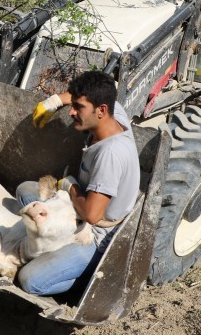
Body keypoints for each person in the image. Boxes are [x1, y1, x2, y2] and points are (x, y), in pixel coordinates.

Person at [14, 71, 140, 295]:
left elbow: (92, 215)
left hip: (97, 233)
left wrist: (70, 187)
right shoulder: (113, 113)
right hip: (78, 208)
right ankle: (53, 249)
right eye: (72, 105)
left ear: (101, 110)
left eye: (78, 108)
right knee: (25, 193)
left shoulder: (109, 154)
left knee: (30, 279)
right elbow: (83, 95)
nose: (71, 112)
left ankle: (83, 279)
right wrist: (55, 101)